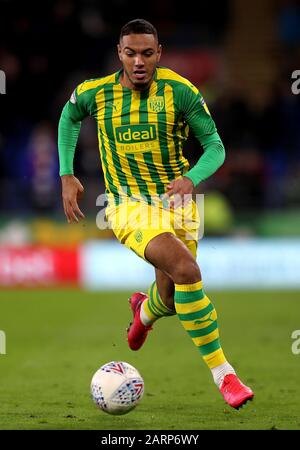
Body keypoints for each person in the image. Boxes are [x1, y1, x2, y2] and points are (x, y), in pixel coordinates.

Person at [58, 18, 254, 409]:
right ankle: (225, 375)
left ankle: (144, 311)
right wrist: (66, 173)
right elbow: (69, 115)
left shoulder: (180, 92)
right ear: (119, 53)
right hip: (128, 206)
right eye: (130, 53)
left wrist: (191, 178)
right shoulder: (95, 93)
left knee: (170, 296)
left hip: (177, 205)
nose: (138, 61)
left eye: (147, 53)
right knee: (187, 271)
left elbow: (215, 147)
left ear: (159, 54)